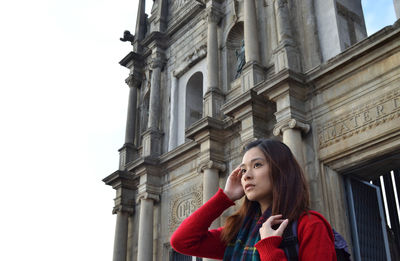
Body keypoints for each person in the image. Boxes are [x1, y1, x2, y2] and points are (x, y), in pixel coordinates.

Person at [170, 139, 337, 260]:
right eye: (243, 170)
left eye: (257, 165)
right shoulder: (240, 233)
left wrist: (269, 248)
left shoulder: (309, 225)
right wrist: (225, 197)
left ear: (281, 171)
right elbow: (182, 241)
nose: (247, 175)